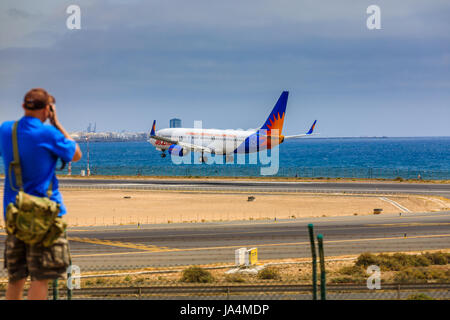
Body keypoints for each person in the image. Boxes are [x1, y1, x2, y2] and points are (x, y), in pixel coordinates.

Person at [0, 88, 82, 300]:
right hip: (45, 215)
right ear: (48, 109)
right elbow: (76, 155)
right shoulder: (49, 133)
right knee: (40, 278)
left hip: (14, 213)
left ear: (23, 106)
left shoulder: (6, 129)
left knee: (16, 278)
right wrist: (56, 123)